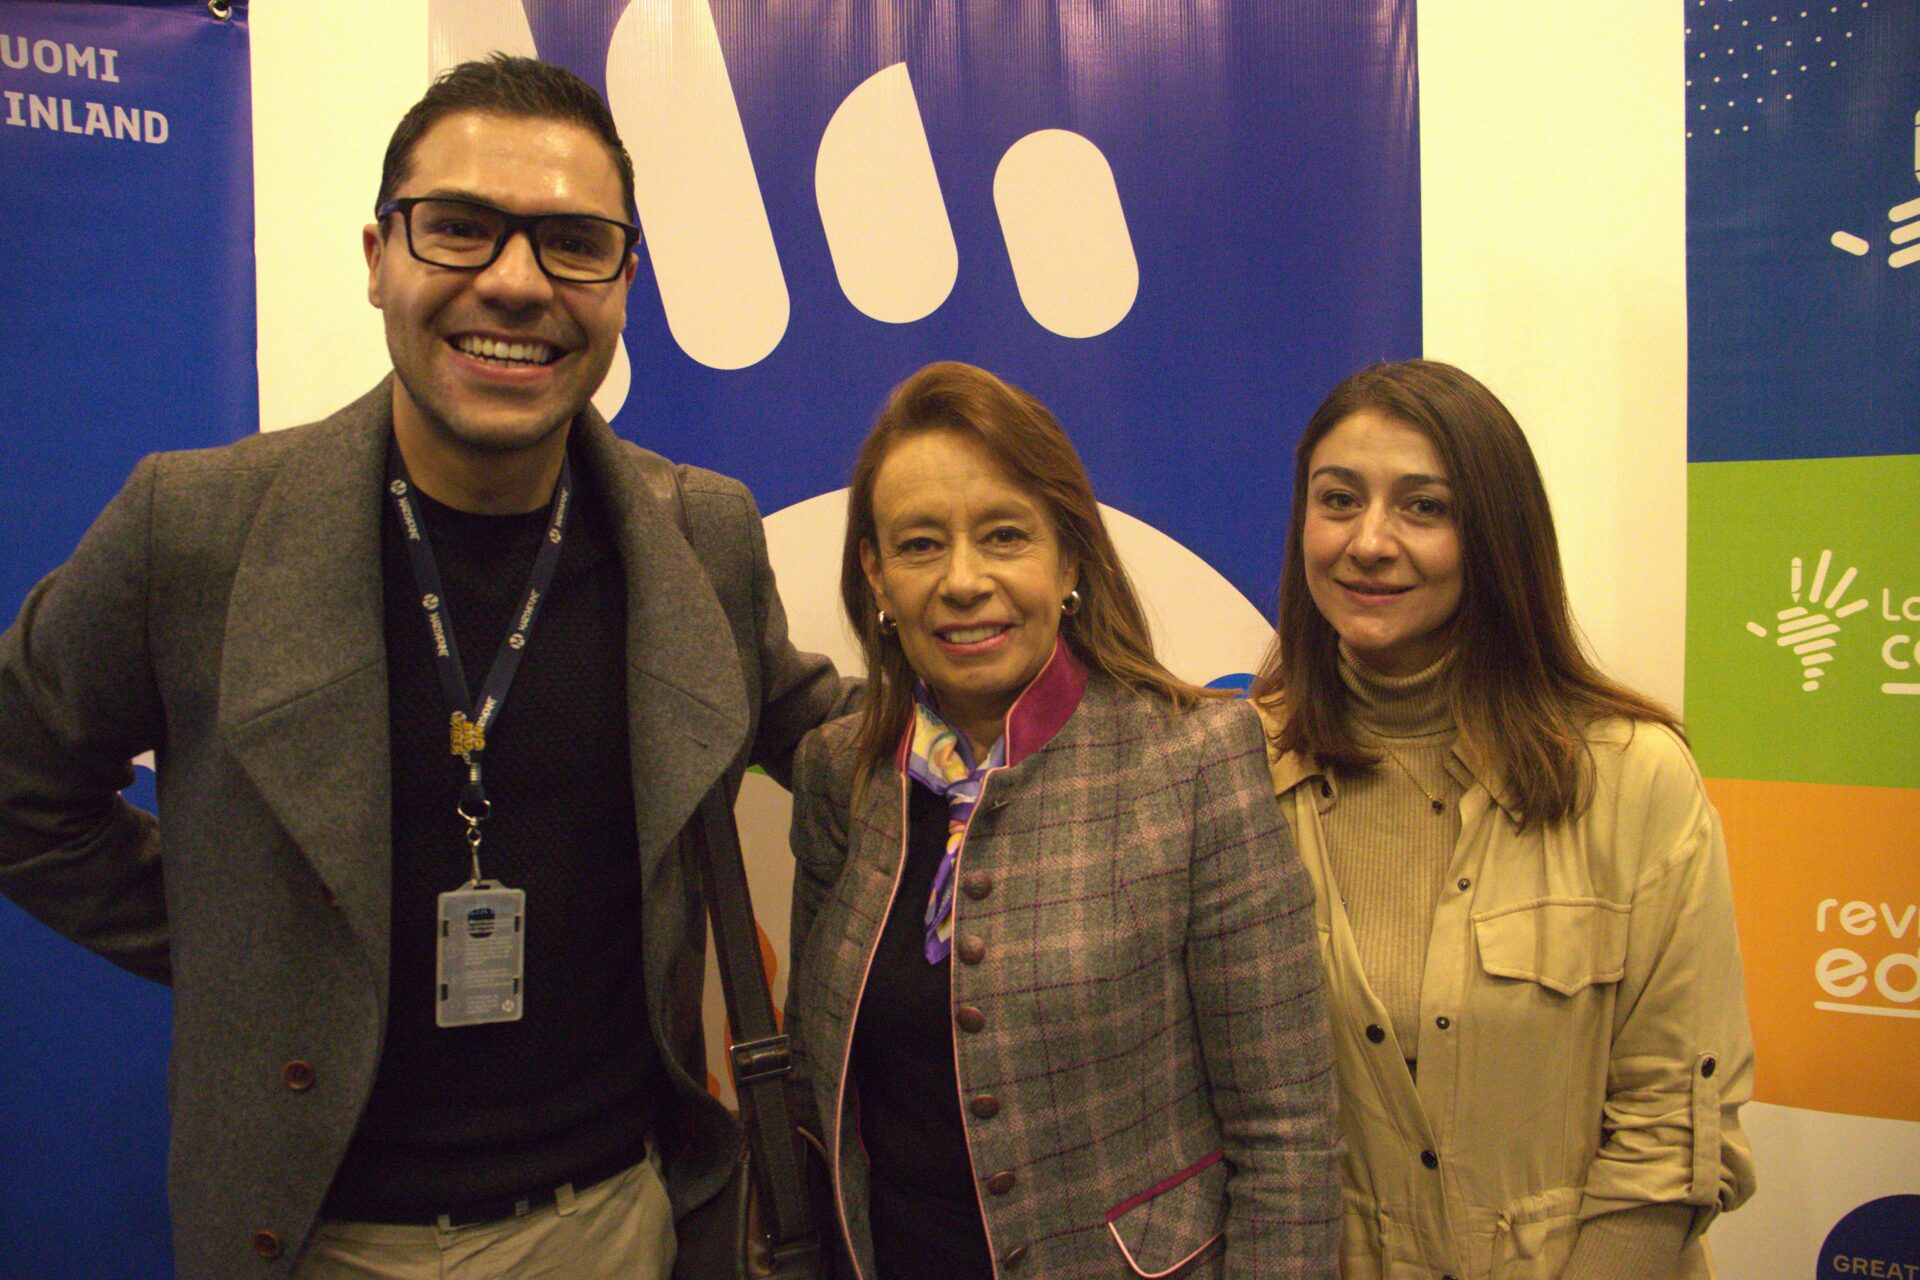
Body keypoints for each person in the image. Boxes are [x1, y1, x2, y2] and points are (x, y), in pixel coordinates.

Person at [0, 55, 844, 1279]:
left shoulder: (697, 535)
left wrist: (1083, 723)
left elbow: (837, 745)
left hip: (616, 1223)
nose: (516, 281)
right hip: (312, 1239)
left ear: (624, 282)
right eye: (458, 227)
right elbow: (17, 781)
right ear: (377, 255)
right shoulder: (192, 530)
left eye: (574, 242)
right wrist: (260, 941)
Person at [784, 361, 1340, 1280]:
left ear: (1069, 560)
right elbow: (815, 1089)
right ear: (876, 576)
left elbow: (1288, 1139)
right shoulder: (838, 775)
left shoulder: (1197, 760)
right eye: (920, 545)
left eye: (1004, 536)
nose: (964, 581)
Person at [1249, 359, 1757, 1280]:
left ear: (1495, 534)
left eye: (1424, 507)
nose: (1369, 541)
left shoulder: (1632, 776)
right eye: (1339, 500)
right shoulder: (1230, 773)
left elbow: (1673, 1132)